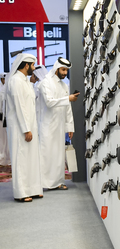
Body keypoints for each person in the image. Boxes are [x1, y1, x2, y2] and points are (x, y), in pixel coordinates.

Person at [6, 53, 43, 202]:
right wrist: (25, 129)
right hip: (20, 127)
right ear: (26, 65)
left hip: (29, 126)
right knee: (20, 158)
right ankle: (21, 192)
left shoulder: (25, 81)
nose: (34, 69)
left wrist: (32, 83)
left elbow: (30, 102)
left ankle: (33, 189)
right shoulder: (15, 81)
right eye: (33, 65)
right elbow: (20, 106)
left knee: (31, 158)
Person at [38, 57, 79, 190]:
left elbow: (68, 108)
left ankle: (59, 181)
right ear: (56, 69)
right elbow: (49, 102)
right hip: (47, 125)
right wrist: (68, 98)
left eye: (66, 70)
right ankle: (44, 183)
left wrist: (70, 127)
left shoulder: (63, 85)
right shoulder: (45, 83)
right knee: (47, 154)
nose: (65, 73)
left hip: (60, 126)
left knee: (59, 155)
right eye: (63, 70)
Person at [31, 65, 48, 133]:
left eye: (33, 74)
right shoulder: (47, 83)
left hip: (40, 115)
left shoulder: (39, 85)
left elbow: (31, 97)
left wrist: (31, 83)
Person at [0, 72, 11, 166]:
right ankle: (3, 158)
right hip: (1, 118)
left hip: (7, 118)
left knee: (7, 139)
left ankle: (7, 158)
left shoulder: (7, 90)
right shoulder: (1, 90)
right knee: (2, 140)